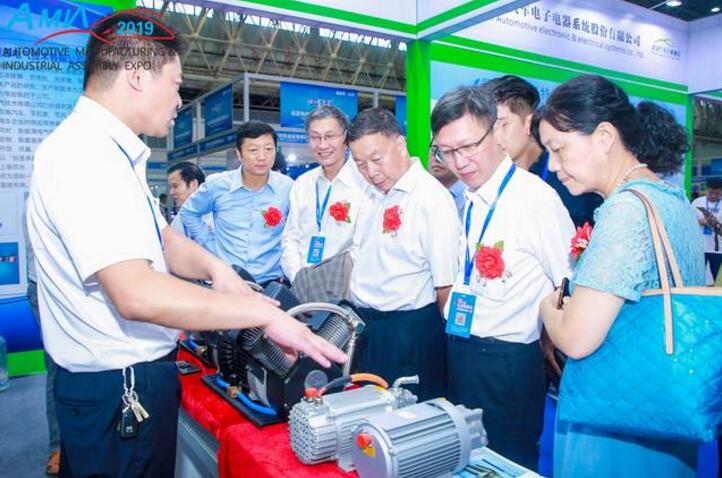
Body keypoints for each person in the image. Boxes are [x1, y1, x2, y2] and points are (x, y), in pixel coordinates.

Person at [26, 14, 345, 478]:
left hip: (129, 383)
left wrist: (217, 269)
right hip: (118, 390)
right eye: (175, 84)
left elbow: (165, 241)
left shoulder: (111, 154)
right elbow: (136, 293)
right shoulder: (86, 156)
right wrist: (262, 315)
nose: (179, 100)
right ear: (137, 77)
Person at [537, 75, 704, 477]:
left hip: (616, 421)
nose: (553, 166)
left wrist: (547, 308)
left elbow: (576, 338)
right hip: (665, 405)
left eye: (558, 149)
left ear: (604, 137)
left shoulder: (626, 210)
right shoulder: (671, 197)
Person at [430, 84, 574, 470]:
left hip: (508, 365)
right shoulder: (470, 198)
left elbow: (568, 282)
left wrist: (552, 337)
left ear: (495, 131)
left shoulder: (535, 200)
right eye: (447, 151)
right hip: (461, 350)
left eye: (467, 146)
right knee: (465, 460)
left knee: (508, 462)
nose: (459, 162)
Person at [347, 108, 460, 401]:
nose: (370, 172)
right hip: (368, 329)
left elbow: (446, 285)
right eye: (360, 164)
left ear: (400, 143)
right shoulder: (371, 194)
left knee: (408, 418)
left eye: (376, 159)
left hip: (409, 335)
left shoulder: (431, 199)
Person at [181, 121, 294, 285]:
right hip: (226, 280)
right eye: (253, 150)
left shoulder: (288, 188)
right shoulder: (217, 185)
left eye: (268, 149)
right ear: (239, 154)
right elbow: (189, 212)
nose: (262, 157)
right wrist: (210, 245)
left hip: (271, 282)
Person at [489, 75, 602, 227]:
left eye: (502, 125)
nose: (495, 137)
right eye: (489, 128)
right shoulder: (497, 180)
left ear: (528, 122)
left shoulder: (567, 174)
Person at [281, 105, 366, 283]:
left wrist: (326, 281)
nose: (322, 145)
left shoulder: (364, 183)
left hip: (346, 286)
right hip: (302, 284)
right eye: (315, 137)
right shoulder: (303, 184)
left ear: (345, 136)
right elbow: (291, 237)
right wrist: (298, 277)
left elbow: (363, 245)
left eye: (329, 136)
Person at [24, 218, 60, 475]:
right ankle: (58, 446)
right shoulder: (46, 196)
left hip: (79, 289)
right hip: (48, 290)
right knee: (59, 365)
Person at [691, 177, 722, 283]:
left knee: (718, 279)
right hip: (699, 247)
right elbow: (688, 221)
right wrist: (700, 221)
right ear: (706, 190)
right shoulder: (697, 202)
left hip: (718, 249)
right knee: (696, 278)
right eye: (710, 193)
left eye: (717, 193)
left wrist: (716, 223)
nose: (713, 196)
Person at [166, 161, 207, 237]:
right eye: (170, 187)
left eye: (175, 186)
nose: (171, 192)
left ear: (193, 184)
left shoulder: (219, 215)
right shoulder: (179, 220)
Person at [428, 153, 466, 221]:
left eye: (445, 152)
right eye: (433, 150)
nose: (436, 158)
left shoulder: (471, 197)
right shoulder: (420, 192)